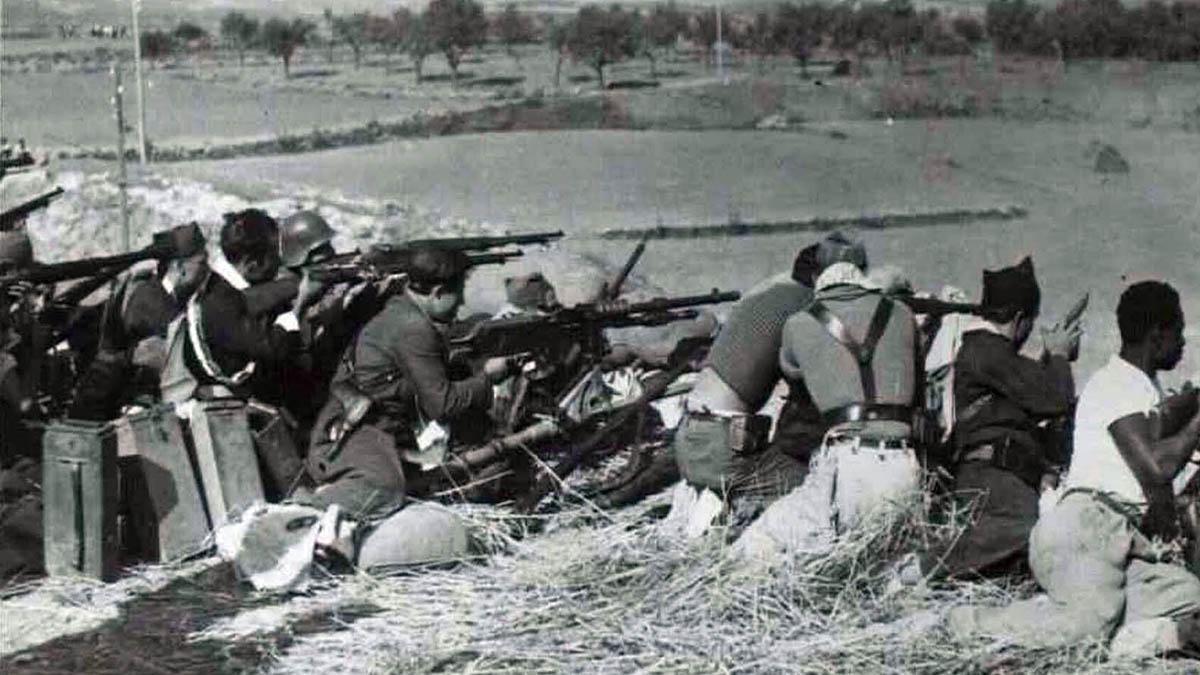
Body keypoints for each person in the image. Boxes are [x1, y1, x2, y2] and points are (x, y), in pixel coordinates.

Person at [946, 281, 1200, 658]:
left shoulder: (1143, 390)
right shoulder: (1115, 383)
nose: (1183, 343)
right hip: (1085, 529)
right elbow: (1156, 468)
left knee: (1189, 599)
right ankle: (966, 622)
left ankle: (1120, 633)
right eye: (1178, 332)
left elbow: (1163, 429)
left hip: (1118, 538)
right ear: (1157, 336)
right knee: (1085, 627)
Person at [664, 232, 865, 536]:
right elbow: (811, 387)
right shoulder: (805, 307)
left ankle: (721, 502)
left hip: (691, 435)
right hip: (723, 446)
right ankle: (743, 511)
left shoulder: (766, 296)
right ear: (820, 276)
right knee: (813, 489)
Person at [733, 254, 921, 563]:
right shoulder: (902, 313)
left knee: (755, 543)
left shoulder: (799, 323)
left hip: (850, 468)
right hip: (905, 468)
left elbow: (792, 372)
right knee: (879, 559)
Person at [304, 247, 517, 518]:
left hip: (378, 432)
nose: (462, 302)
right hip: (350, 436)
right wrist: (489, 377)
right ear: (438, 292)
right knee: (385, 491)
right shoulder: (412, 327)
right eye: (459, 291)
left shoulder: (402, 311)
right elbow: (444, 404)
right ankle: (309, 509)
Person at [915, 257, 1080, 580]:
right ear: (1020, 319)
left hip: (999, 476)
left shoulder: (990, 354)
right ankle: (919, 569)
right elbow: (1054, 398)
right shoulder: (986, 351)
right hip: (993, 478)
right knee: (1028, 532)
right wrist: (1059, 354)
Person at [68, 223, 208, 420]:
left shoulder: (157, 292)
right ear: (179, 267)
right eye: (202, 263)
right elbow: (190, 346)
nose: (207, 269)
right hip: (115, 408)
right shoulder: (150, 300)